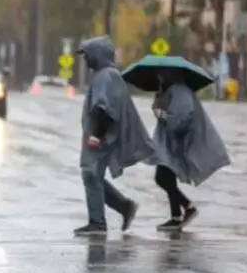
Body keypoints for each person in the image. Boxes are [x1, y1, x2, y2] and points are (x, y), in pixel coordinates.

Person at [74, 36, 154, 236]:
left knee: (91, 174)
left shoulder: (106, 76)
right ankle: (124, 207)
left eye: (87, 55)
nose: (85, 59)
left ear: (98, 54)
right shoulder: (103, 74)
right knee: (93, 175)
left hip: (101, 135)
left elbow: (106, 109)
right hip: (99, 134)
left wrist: (97, 135)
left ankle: (98, 223)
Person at [150, 70, 230, 231]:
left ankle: (187, 207)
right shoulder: (167, 90)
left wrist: (163, 115)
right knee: (166, 178)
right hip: (168, 143)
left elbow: (181, 119)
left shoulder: (180, 90)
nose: (159, 77)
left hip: (178, 143)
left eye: (161, 75)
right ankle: (177, 216)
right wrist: (158, 105)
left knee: (162, 177)